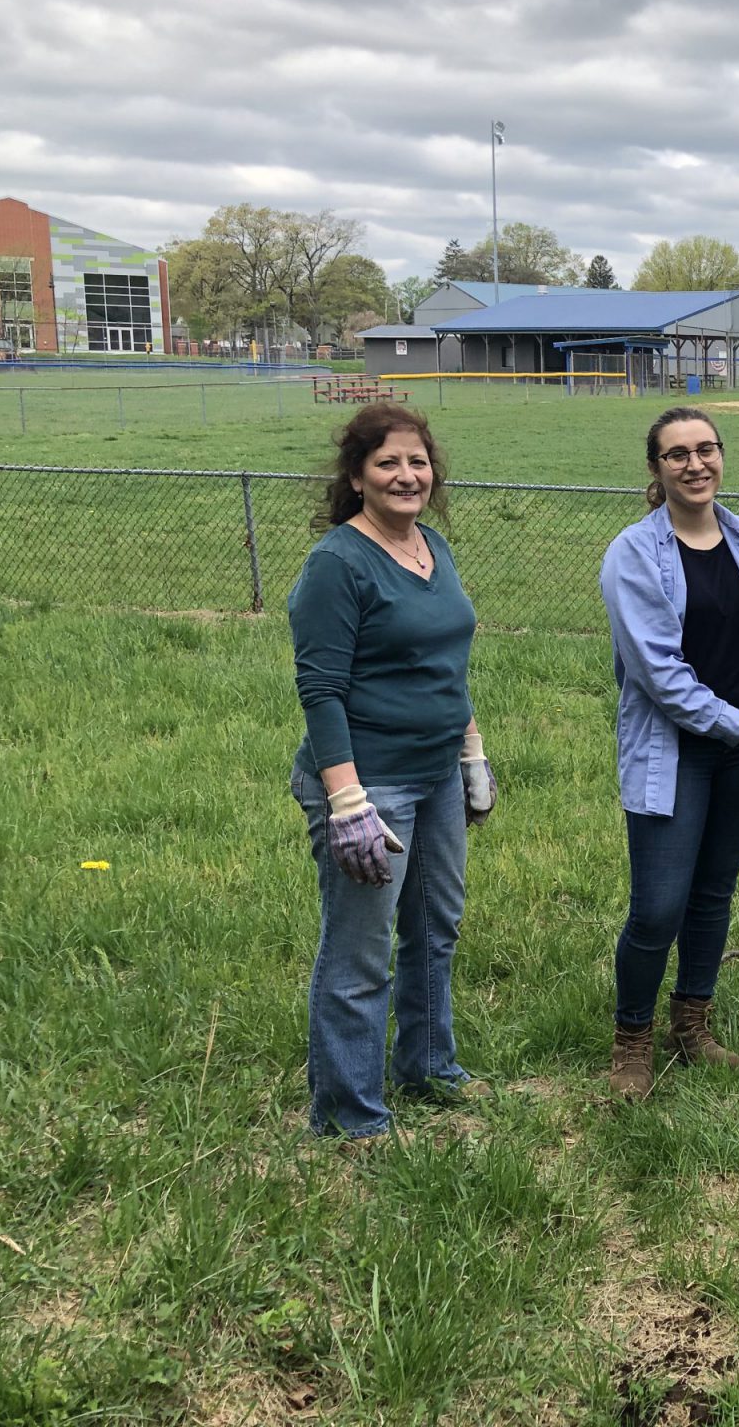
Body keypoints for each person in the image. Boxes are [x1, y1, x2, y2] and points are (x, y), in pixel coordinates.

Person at [287, 403, 497, 1147]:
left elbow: (448, 663)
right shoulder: (337, 564)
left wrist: (471, 752)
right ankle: (350, 1115)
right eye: (387, 463)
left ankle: (428, 1066)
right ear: (357, 477)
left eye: (417, 462)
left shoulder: (432, 546)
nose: (407, 476)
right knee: (360, 954)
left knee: (435, 929)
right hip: (370, 786)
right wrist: (347, 801)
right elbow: (321, 691)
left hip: (437, 774)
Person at [599, 407, 739, 1099]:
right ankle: (632, 1039)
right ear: (655, 468)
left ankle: (691, 1024)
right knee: (658, 907)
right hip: (676, 750)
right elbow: (659, 674)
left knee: (713, 893)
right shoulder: (634, 554)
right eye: (677, 454)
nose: (695, 465)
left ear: (721, 455)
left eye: (706, 449)